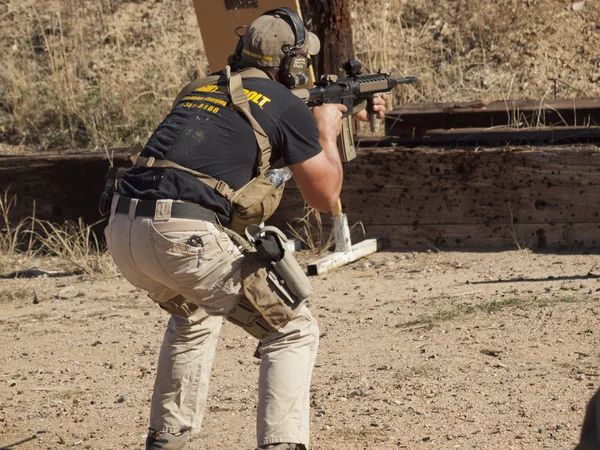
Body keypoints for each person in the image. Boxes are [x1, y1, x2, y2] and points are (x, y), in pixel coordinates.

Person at [103, 7, 386, 450]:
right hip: (183, 236)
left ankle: (167, 439)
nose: (307, 68)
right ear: (291, 64)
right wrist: (327, 132)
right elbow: (324, 195)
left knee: (192, 313)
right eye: (303, 60)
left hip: (123, 230)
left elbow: (243, 128)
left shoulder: (198, 88)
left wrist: (338, 116)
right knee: (293, 329)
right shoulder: (288, 104)